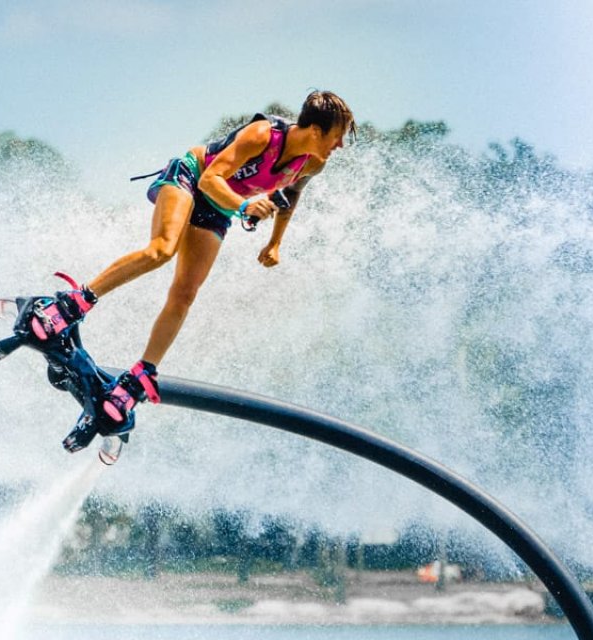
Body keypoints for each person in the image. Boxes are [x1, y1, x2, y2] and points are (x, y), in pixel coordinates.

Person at [32, 90, 356, 424]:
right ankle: (71, 304)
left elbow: (291, 197)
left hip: (218, 208)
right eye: (338, 136)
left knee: (186, 293)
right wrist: (244, 205)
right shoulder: (264, 135)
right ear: (316, 130)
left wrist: (274, 243)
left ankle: (139, 376)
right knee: (162, 250)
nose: (340, 145)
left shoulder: (313, 163)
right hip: (191, 177)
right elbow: (210, 178)